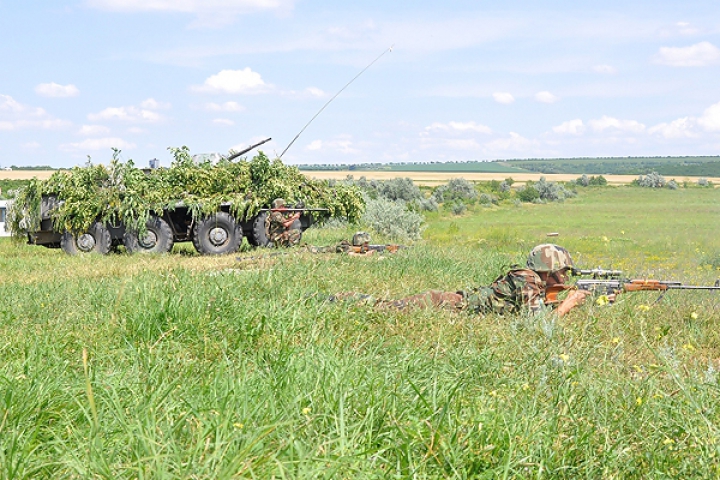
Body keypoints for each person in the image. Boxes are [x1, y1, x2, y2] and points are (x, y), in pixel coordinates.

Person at [333, 244, 591, 316]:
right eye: (563, 271)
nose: (566, 276)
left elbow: (534, 309)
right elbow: (537, 327)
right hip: (442, 304)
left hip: (450, 303)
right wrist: (569, 304)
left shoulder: (533, 281)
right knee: (384, 307)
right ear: (549, 270)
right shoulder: (527, 280)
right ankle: (338, 299)